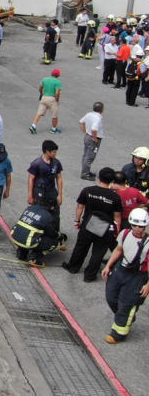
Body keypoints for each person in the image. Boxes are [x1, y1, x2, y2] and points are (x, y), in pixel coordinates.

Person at [62, 167, 122, 282]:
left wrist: (77, 221)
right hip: (105, 228)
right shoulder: (115, 197)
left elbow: (80, 207)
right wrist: (117, 231)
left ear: (99, 177)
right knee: (98, 252)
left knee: (81, 247)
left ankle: (73, 267)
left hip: (88, 224)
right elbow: (117, 217)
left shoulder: (87, 190)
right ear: (112, 181)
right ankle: (89, 276)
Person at [102, 207, 149, 344]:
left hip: (138, 276)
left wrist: (147, 285)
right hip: (121, 270)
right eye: (134, 225)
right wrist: (108, 265)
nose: (137, 228)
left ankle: (118, 334)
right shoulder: (124, 234)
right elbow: (119, 250)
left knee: (126, 304)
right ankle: (128, 315)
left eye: (140, 226)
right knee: (111, 298)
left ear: (145, 226)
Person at [10, 202, 63, 267]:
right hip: (27, 242)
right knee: (53, 243)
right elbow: (51, 233)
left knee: (29, 232)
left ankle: (22, 252)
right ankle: (34, 257)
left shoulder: (30, 208)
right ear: (52, 207)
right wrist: (59, 236)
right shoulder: (47, 215)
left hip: (15, 237)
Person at [27, 139, 64, 230]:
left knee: (55, 214)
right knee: (40, 214)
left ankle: (55, 234)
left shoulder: (56, 163)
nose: (56, 154)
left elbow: (59, 178)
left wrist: (60, 195)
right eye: (54, 152)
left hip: (51, 192)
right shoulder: (36, 164)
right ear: (47, 151)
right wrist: (30, 196)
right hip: (39, 193)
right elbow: (31, 179)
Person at [29, 69, 62, 135]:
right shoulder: (58, 82)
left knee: (39, 113)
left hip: (44, 97)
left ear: (51, 73)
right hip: (52, 99)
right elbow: (57, 93)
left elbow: (40, 88)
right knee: (54, 114)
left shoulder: (44, 79)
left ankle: (33, 125)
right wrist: (57, 100)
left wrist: (41, 93)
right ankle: (53, 129)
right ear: (58, 75)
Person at [78, 102, 105, 180]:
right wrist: (95, 138)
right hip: (93, 138)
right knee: (90, 156)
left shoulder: (89, 114)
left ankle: (85, 171)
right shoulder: (98, 118)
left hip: (87, 136)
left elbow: (81, 122)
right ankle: (85, 174)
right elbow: (94, 129)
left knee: (86, 154)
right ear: (102, 110)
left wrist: (85, 132)